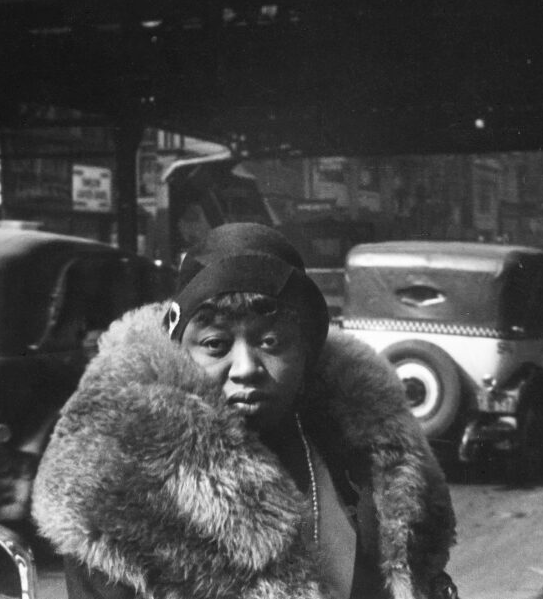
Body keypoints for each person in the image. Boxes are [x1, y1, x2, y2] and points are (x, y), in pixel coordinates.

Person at [32, 222, 458, 599]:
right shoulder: (114, 483)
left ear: (307, 351)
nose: (246, 368)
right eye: (216, 344)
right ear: (178, 352)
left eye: (271, 342)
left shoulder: (367, 459)